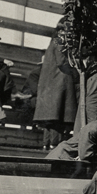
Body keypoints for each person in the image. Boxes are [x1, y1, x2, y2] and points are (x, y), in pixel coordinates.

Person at [32, 18, 78, 148]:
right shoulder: (60, 42)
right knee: (58, 117)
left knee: (51, 119)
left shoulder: (53, 41)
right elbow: (61, 62)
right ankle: (53, 145)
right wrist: (74, 69)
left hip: (52, 85)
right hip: (60, 84)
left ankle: (47, 145)